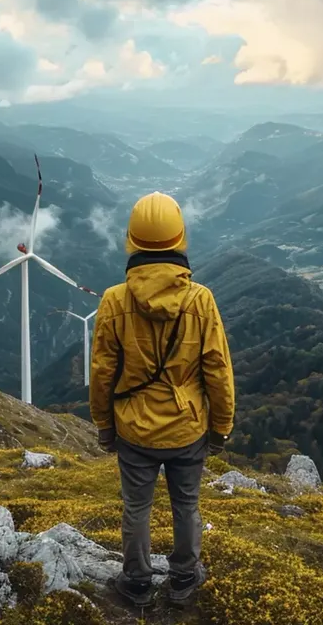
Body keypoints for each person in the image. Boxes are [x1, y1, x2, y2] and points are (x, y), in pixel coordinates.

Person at [89, 191, 235, 608]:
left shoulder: (114, 301)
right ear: (180, 238)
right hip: (188, 427)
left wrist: (104, 425)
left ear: (130, 239)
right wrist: (221, 427)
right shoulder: (200, 300)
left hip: (133, 428)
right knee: (186, 505)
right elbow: (217, 371)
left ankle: (135, 583)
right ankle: (184, 579)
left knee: (137, 507)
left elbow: (102, 373)